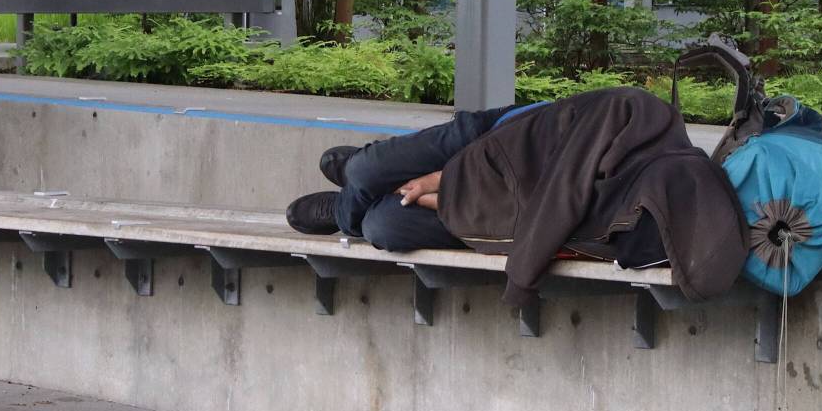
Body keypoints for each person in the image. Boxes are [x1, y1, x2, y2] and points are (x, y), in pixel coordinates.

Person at [287, 87, 748, 306]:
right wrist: (441, 184)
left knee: (382, 226)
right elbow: (558, 195)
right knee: (367, 169)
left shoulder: (638, 228)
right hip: (496, 141)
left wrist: (445, 200)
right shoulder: (640, 113)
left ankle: (364, 198)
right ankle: (354, 193)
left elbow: (557, 225)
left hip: (499, 214)